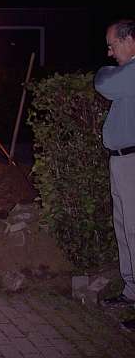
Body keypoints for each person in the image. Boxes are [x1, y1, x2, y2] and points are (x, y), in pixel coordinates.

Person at [94, 20, 135, 322]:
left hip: (132, 161)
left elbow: (103, 83)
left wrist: (104, 73)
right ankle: (131, 291)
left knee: (134, 230)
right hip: (121, 160)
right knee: (124, 228)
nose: (109, 52)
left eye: (112, 44)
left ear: (130, 39)